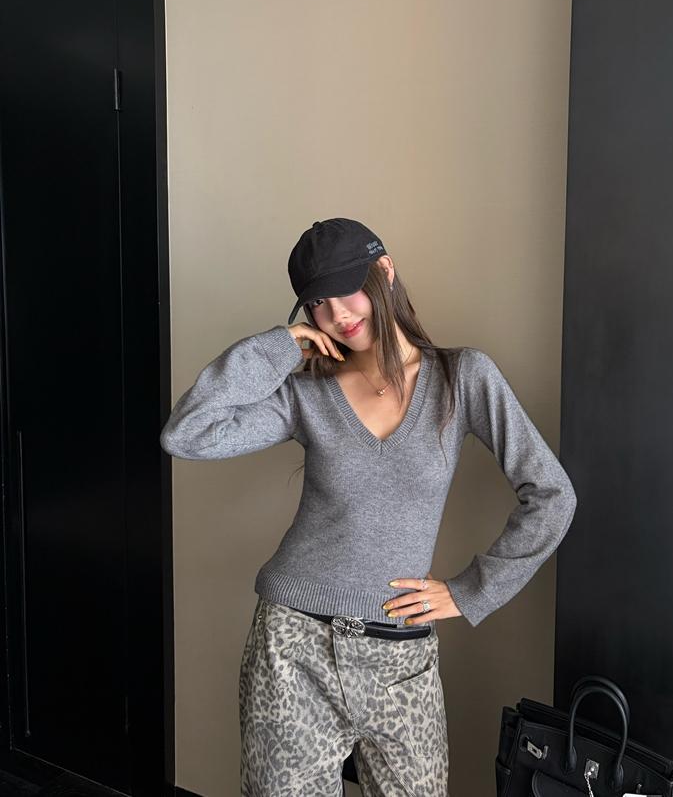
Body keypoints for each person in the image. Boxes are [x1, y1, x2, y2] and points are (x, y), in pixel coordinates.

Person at [159, 216, 578, 797]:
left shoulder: (463, 378)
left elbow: (552, 495)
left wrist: (470, 591)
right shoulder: (306, 393)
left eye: (346, 289)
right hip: (291, 648)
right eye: (317, 303)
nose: (337, 314)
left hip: (400, 658)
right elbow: (186, 433)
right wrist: (280, 345)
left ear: (385, 269)